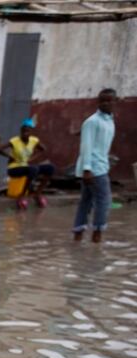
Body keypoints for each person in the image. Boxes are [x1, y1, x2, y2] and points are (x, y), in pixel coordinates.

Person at [72, 88, 116, 243]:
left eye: (109, 100)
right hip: (94, 169)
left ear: (114, 102)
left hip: (101, 165)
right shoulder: (92, 121)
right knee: (105, 201)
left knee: (86, 200)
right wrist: (87, 169)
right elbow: (86, 147)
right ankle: (97, 232)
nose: (106, 103)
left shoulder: (109, 121)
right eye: (102, 100)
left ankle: (78, 233)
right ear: (98, 102)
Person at [0, 118, 54, 210]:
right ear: (20, 132)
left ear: (30, 132)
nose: (25, 133)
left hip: (26, 166)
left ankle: (37, 193)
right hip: (14, 168)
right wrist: (10, 157)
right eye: (23, 131)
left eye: (27, 131)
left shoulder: (34, 140)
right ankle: (22, 195)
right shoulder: (14, 141)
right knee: (33, 169)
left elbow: (43, 149)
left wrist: (32, 159)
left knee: (50, 168)